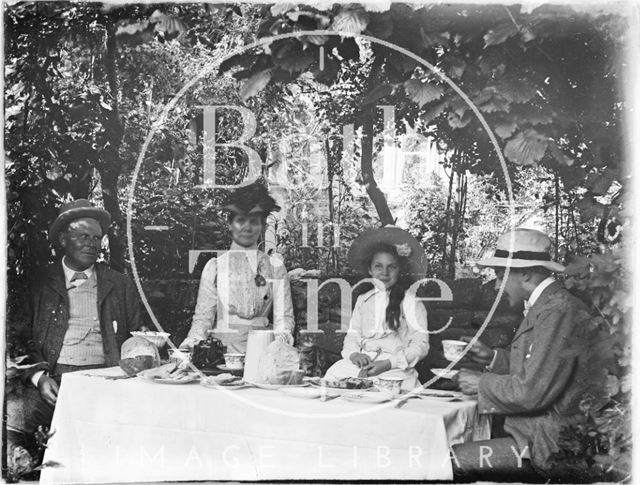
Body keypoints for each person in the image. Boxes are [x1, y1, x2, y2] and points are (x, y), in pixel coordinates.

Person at [452, 228, 604, 479]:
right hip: (533, 434)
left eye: (500, 276)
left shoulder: (558, 311)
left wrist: (480, 383)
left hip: (547, 445)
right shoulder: (548, 305)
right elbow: (542, 366)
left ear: (525, 273)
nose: (497, 285)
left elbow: (530, 392)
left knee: (449, 461)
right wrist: (493, 358)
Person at [7, 199, 143, 441]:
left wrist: (136, 360)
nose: (91, 244)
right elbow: (15, 339)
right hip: (54, 378)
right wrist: (39, 378)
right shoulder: (38, 283)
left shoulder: (120, 284)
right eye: (82, 236)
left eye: (96, 237)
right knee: (18, 410)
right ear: (63, 240)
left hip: (107, 378)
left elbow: (137, 337)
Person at [180, 183, 295, 353]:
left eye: (254, 222)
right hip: (221, 353)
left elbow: (284, 318)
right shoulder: (215, 267)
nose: (247, 228)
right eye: (240, 220)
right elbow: (203, 318)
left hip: (263, 349)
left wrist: (279, 346)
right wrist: (190, 345)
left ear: (263, 226)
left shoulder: (275, 268)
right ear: (230, 225)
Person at [324, 227, 429, 390]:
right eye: (378, 266)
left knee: (388, 388)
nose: (385, 273)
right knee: (334, 375)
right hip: (362, 363)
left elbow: (420, 345)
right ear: (370, 270)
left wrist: (389, 363)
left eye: (392, 267)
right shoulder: (363, 300)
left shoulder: (411, 302)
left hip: (393, 366)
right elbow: (352, 336)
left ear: (399, 270)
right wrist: (355, 355)